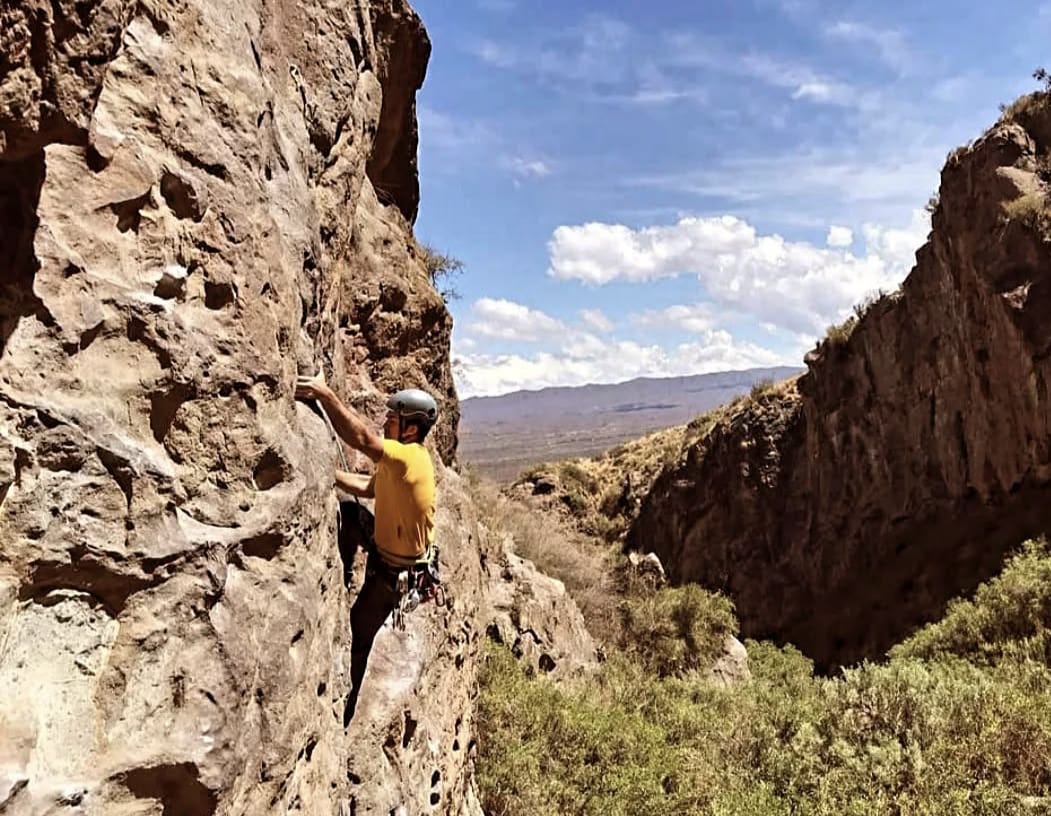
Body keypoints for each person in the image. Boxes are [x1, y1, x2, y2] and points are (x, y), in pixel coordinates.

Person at [295, 374, 438, 725]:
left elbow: (361, 438)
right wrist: (326, 474)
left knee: (358, 635)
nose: (385, 424)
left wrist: (323, 393)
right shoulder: (396, 464)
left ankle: (344, 713)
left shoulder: (410, 459)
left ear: (409, 428)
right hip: (384, 547)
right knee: (351, 512)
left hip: (395, 573)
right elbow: (368, 488)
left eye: (392, 419)